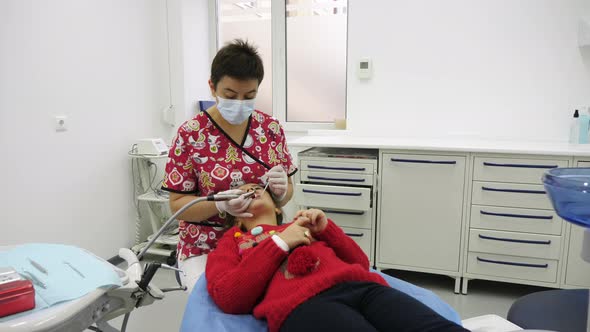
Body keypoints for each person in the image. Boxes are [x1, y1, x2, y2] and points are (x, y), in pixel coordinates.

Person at [206, 183, 470, 332]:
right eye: (242, 192)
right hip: (302, 306)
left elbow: (361, 263)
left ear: (277, 206)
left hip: (363, 289)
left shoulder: (302, 224)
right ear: (235, 214)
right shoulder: (232, 243)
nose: (250, 191)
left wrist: (326, 229)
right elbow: (230, 297)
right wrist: (278, 244)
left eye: (256, 188)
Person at [161, 39, 297, 292]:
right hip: (204, 245)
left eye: (250, 96)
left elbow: (288, 190)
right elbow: (178, 207)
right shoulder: (190, 134)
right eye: (230, 95)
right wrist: (219, 205)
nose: (240, 103)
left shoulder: (270, 129)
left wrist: (281, 192)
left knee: (282, 300)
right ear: (212, 86)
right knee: (219, 302)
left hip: (262, 239)